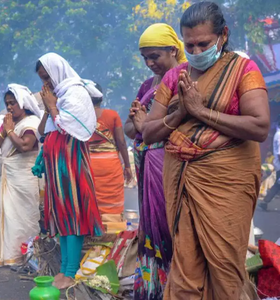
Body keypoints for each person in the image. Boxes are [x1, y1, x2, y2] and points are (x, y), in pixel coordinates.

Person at [141, 2, 269, 299]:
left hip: (226, 181)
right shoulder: (175, 78)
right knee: (185, 265)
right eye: (189, 45)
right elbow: (148, 132)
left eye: (204, 44)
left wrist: (200, 111)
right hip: (183, 180)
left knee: (225, 267)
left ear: (223, 36)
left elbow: (259, 126)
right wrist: (178, 114)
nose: (196, 52)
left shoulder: (243, 70)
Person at [124, 23, 187, 300]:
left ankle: (179, 288)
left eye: (155, 56)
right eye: (145, 58)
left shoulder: (185, 77)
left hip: (172, 161)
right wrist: (140, 124)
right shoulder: (148, 85)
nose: (149, 63)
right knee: (151, 226)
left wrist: (146, 125)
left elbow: (184, 123)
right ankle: (156, 289)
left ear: (173, 50)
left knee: (171, 224)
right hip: (148, 161)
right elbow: (129, 128)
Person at [36, 53, 104, 289]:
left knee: (73, 213)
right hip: (56, 165)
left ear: (57, 72)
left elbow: (69, 127)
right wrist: (48, 108)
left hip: (71, 163)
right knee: (61, 216)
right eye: (42, 80)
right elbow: (46, 131)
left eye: (48, 77)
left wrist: (53, 106)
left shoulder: (76, 93)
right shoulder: (59, 96)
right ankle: (64, 269)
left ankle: (71, 271)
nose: (46, 84)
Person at [0, 84, 41, 266]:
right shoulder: (9, 124)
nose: (10, 107)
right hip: (8, 177)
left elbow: (26, 146)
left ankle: (28, 256)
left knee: (23, 216)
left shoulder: (32, 122)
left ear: (23, 102)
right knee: (9, 217)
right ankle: (9, 254)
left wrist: (10, 131)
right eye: (7, 104)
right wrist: (5, 130)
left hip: (25, 178)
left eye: (13, 103)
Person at [88, 83, 132, 220]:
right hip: (111, 165)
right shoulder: (112, 115)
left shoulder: (80, 118)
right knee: (113, 201)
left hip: (88, 164)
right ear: (101, 98)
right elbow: (121, 142)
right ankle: (113, 234)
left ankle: (93, 234)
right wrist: (128, 166)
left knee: (90, 200)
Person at [259, 115, 280, 211]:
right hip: (279, 164)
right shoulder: (279, 135)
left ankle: (265, 202)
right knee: (277, 184)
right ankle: (265, 202)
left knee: (277, 184)